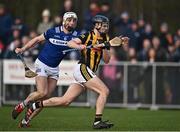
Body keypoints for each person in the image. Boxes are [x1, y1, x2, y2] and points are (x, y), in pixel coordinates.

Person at [25, 15, 129, 129]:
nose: (106, 27)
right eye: (104, 25)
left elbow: (107, 60)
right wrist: (82, 47)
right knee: (104, 91)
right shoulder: (87, 35)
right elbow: (70, 43)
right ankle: (97, 121)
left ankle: (35, 105)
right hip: (83, 68)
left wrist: (105, 46)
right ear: (97, 25)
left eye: (107, 25)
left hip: (87, 71)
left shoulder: (105, 38)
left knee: (65, 101)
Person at [11, 12, 85, 127]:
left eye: (74, 21)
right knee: (42, 92)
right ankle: (22, 105)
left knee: (45, 99)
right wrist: (23, 49)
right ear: (64, 21)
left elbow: (87, 42)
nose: (72, 22)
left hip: (54, 68)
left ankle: (26, 121)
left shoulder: (76, 35)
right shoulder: (53, 31)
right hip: (42, 64)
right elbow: (36, 40)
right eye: (69, 20)